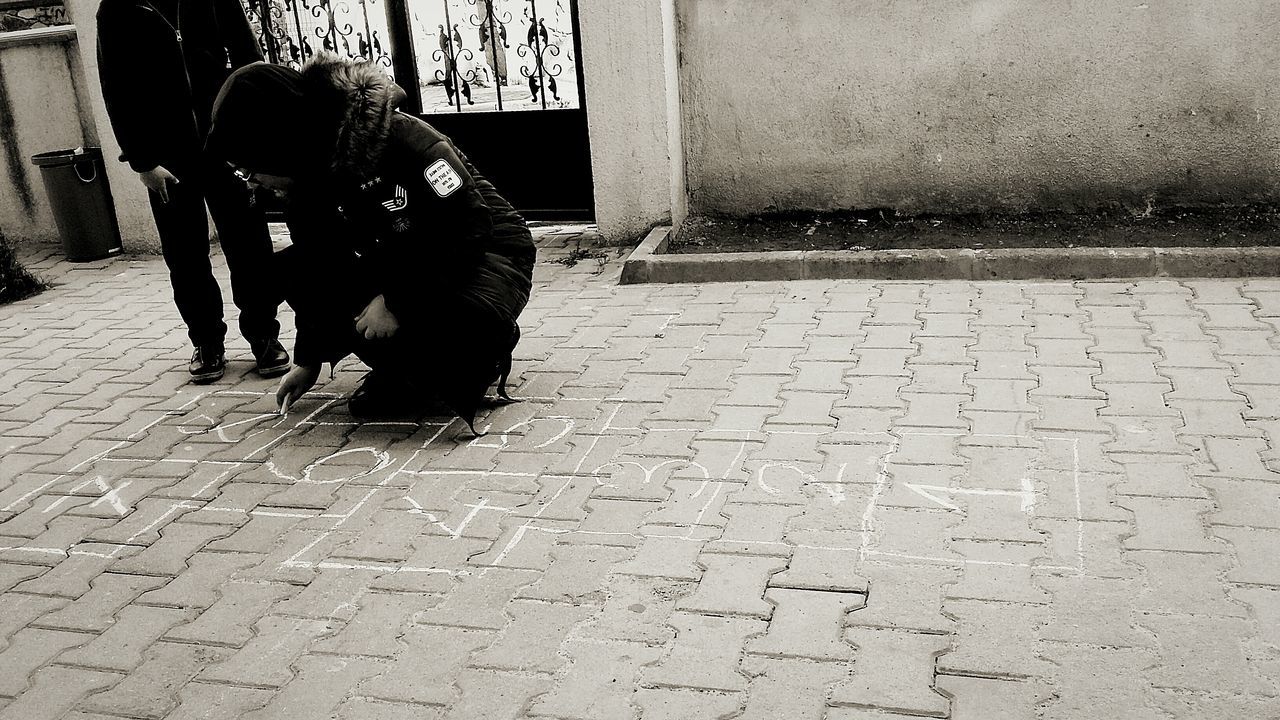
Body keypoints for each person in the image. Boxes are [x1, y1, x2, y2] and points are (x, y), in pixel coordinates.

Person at [205, 54, 536, 432]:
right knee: (297, 272)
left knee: (456, 331)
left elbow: (470, 226)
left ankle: (483, 351)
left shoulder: (402, 138)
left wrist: (395, 301)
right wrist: (308, 360)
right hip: (407, 254)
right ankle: (408, 371)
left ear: (278, 141)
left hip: (489, 255)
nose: (249, 181)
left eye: (249, 167)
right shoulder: (308, 173)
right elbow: (320, 261)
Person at [96, 0, 288, 383]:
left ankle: (264, 336)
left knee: (249, 244)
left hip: (228, 144)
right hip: (167, 156)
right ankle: (206, 342)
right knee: (184, 254)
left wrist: (256, 136)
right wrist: (142, 161)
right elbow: (116, 87)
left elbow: (251, 60)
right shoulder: (117, 7)